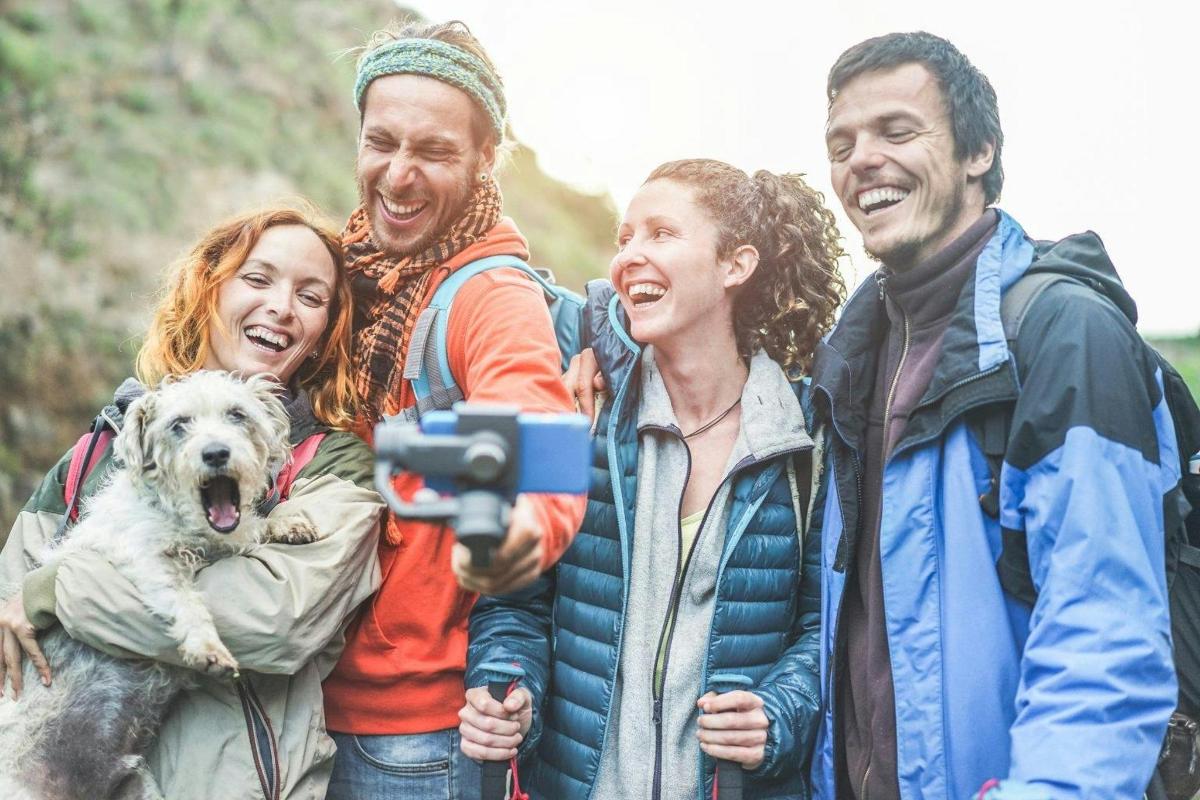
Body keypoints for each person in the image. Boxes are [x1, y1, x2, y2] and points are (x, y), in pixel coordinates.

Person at [809, 33, 1177, 799]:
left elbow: (1103, 639)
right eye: (841, 144)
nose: (861, 160)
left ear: (979, 150)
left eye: (897, 131)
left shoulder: (1064, 333)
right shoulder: (848, 360)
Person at [461, 159, 847, 799]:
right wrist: (509, 689)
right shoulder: (580, 413)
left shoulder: (806, 439)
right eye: (624, 238)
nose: (629, 258)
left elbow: (827, 626)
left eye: (661, 234)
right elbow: (514, 600)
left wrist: (777, 713)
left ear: (735, 266)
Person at [0, 203, 385, 799]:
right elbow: (6, 614)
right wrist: (23, 600)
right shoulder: (105, 442)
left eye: (311, 296)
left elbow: (274, 622)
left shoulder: (336, 464)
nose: (281, 306)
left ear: (325, 330)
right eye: (258, 280)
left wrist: (55, 591)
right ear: (209, 288)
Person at [320, 19, 586, 800]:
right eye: (381, 142)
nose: (398, 175)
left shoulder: (487, 292)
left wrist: (519, 531)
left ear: (482, 159)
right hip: (297, 704)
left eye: (433, 151)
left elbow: (541, 441)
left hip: (415, 742)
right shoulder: (347, 272)